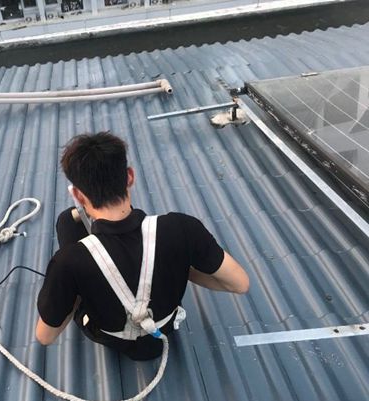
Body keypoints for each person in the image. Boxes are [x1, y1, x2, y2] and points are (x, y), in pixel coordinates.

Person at [35, 131, 249, 360]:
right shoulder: (182, 228)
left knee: (67, 221)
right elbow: (240, 284)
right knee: (71, 224)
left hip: (112, 336)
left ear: (78, 195)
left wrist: (73, 288)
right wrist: (181, 266)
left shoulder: (68, 261)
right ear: (129, 176)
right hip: (163, 326)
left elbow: (45, 337)